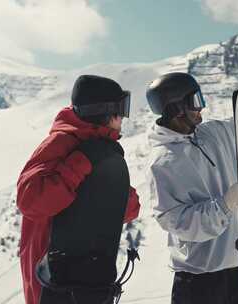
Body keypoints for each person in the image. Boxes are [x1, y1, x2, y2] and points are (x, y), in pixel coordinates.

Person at [17, 75, 140, 304]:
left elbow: (130, 210)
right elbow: (30, 201)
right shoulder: (60, 144)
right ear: (104, 111)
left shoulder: (105, 150)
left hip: (87, 278)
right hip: (51, 281)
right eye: (121, 109)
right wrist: (82, 163)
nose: (123, 117)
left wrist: (113, 184)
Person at [146, 72, 238, 304]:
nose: (202, 107)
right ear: (175, 109)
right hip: (200, 282)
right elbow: (178, 222)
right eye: (195, 101)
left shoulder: (213, 133)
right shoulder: (163, 163)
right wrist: (225, 204)